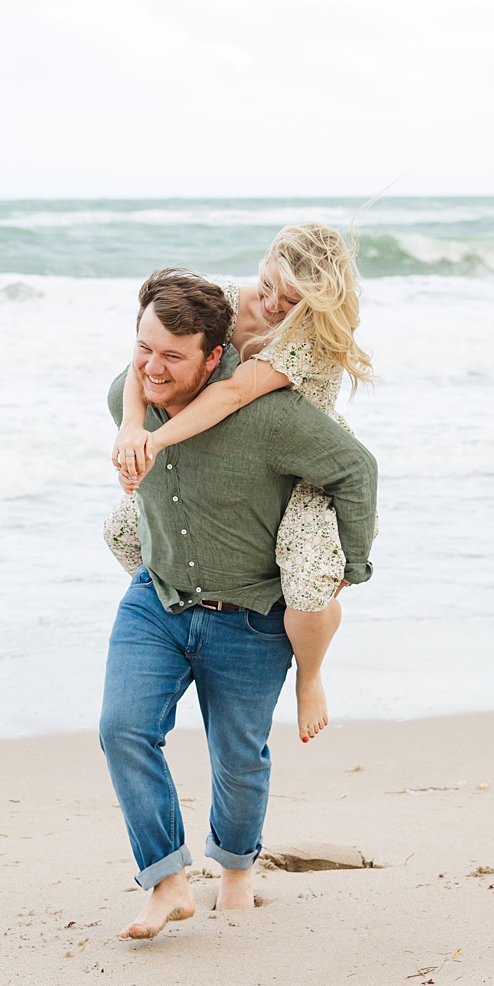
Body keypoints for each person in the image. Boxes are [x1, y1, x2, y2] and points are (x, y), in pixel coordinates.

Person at [100, 268, 376, 940]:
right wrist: (138, 403)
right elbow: (133, 380)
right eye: (144, 348)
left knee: (239, 756)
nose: (151, 367)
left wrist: (351, 565)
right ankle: (166, 880)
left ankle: (235, 870)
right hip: (158, 598)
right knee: (122, 728)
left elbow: (356, 468)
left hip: (249, 614)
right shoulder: (128, 396)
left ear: (214, 356)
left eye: (172, 355)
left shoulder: (270, 416)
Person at [104, 223, 375, 744]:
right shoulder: (226, 300)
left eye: (291, 299)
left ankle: (311, 674)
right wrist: (132, 428)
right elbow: (141, 361)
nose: (272, 303)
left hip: (298, 460)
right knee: (120, 531)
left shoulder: (309, 338)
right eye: (268, 283)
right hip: (228, 447)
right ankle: (177, 610)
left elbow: (230, 394)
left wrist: (154, 446)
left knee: (306, 583)